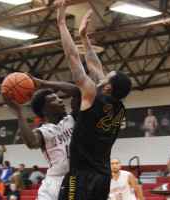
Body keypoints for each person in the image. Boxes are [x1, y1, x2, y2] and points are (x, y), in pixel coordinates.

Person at [57, 3, 132, 200]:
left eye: (107, 78)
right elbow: (96, 66)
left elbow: (72, 57)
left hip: (82, 175)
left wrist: (62, 24)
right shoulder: (119, 108)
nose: (103, 76)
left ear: (107, 87)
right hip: (103, 176)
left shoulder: (91, 97)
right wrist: (84, 37)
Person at [1, 73, 81, 200]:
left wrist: (43, 84)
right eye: (53, 100)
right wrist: (18, 110)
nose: (60, 100)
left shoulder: (71, 119)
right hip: (54, 183)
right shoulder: (44, 131)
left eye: (58, 97)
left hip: (77, 181)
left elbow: (76, 92)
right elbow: (31, 143)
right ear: (45, 110)